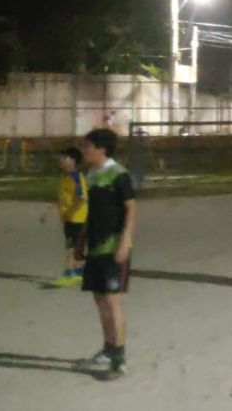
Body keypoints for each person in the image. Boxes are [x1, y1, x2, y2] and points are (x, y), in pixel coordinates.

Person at [74, 128, 136, 377]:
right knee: (100, 301)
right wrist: (80, 242)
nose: (84, 151)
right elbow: (93, 213)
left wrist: (125, 242)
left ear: (102, 149)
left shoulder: (119, 174)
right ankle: (108, 349)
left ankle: (119, 360)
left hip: (113, 247)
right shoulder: (91, 175)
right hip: (96, 247)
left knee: (112, 302)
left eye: (87, 146)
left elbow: (131, 210)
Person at [40, 148, 88, 287]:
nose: (61, 161)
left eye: (64, 158)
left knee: (71, 247)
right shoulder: (64, 177)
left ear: (73, 161)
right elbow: (60, 197)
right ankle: (80, 272)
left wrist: (70, 211)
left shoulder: (76, 177)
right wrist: (47, 212)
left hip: (78, 219)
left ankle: (68, 274)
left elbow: (81, 198)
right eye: (61, 158)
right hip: (68, 219)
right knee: (76, 248)